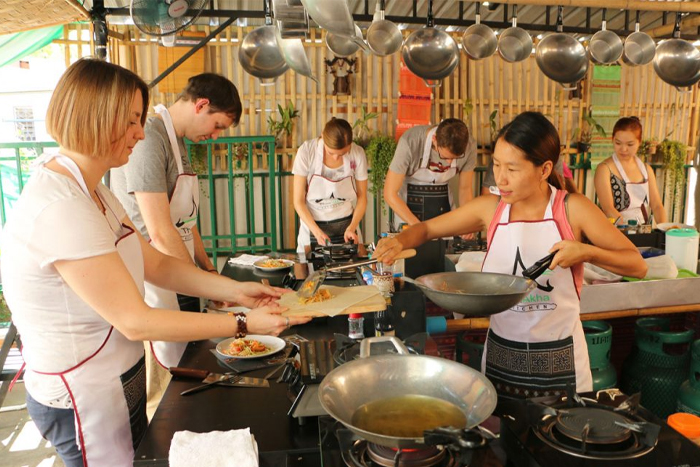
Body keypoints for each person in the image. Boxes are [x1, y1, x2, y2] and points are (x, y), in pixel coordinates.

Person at [0, 58, 310, 467]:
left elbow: (157, 265)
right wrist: (242, 323)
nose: (139, 133)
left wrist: (236, 291)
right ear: (95, 117)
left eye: (140, 120)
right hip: (81, 391)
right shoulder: (62, 205)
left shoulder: (97, 193)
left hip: (115, 378)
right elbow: (136, 320)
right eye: (130, 121)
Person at [374, 112, 646, 398]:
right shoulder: (491, 209)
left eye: (512, 169)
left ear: (544, 170)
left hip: (560, 362)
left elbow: (637, 266)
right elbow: (427, 229)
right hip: (501, 358)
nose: (500, 178)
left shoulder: (572, 209)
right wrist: (399, 240)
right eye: (496, 165)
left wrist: (585, 252)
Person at [111, 73, 241, 418]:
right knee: (164, 390)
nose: (214, 136)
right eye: (217, 125)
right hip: (153, 277)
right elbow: (160, 229)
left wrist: (210, 271)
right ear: (201, 105)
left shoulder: (177, 142)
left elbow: (186, 223)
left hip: (179, 273)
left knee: (187, 370)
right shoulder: (151, 139)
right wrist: (205, 284)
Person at [384, 119, 477, 230]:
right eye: (445, 157)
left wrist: (468, 221)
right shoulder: (410, 142)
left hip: (443, 209)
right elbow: (390, 193)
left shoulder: (469, 145)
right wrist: (418, 227)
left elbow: (465, 189)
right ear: (434, 140)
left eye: (456, 158)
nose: (449, 162)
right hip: (409, 213)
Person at [292, 117, 368, 253]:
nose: (336, 158)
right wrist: (317, 232)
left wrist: (352, 227)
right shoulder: (307, 152)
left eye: (343, 153)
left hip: (347, 226)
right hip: (312, 226)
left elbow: (362, 198)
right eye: (331, 152)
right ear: (322, 137)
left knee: (352, 270)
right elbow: (298, 201)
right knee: (309, 272)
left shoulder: (357, 154)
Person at [594, 116, 667, 225]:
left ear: (639, 142)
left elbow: (656, 205)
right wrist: (628, 231)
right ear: (612, 139)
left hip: (643, 229)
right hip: (615, 231)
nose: (623, 149)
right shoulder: (604, 169)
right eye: (618, 143)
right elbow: (608, 208)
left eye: (630, 144)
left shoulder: (647, 170)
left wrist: (664, 230)